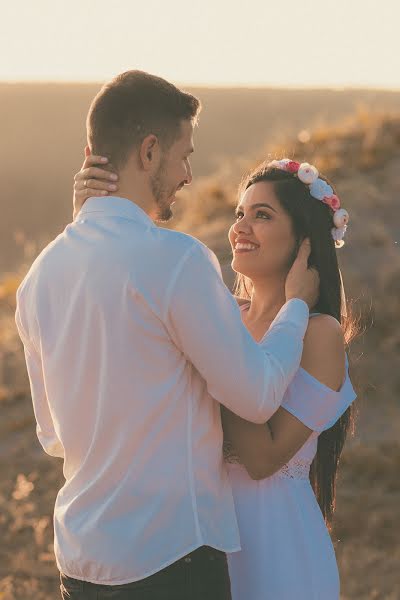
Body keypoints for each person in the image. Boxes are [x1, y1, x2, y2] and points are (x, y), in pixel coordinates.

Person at [15, 71, 322, 600]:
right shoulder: (176, 261)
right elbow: (256, 395)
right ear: (150, 152)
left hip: (81, 567)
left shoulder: (39, 278)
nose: (187, 173)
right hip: (170, 562)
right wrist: (296, 307)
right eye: (184, 155)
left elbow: (54, 435)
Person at [77, 155, 357, 599]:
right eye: (239, 213)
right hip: (199, 545)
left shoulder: (317, 332)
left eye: (262, 215)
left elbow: (262, 459)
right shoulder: (225, 317)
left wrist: (212, 353)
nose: (240, 227)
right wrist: (90, 221)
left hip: (276, 547)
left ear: (305, 240)